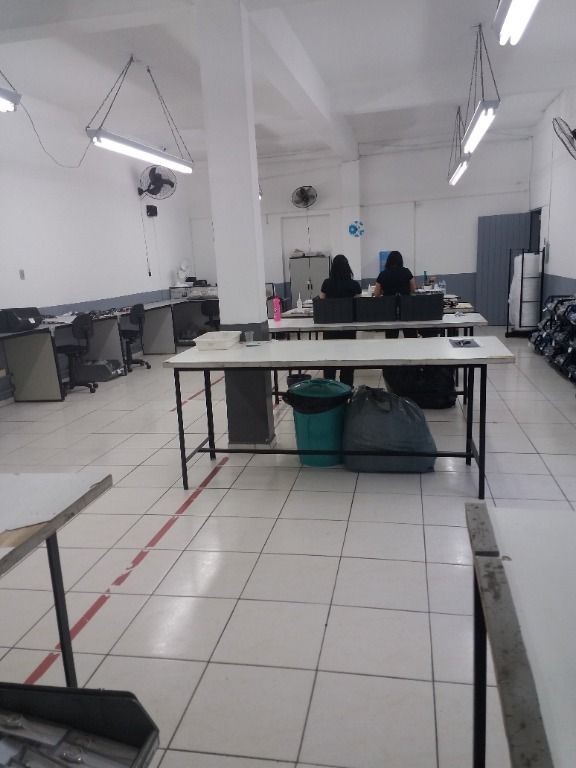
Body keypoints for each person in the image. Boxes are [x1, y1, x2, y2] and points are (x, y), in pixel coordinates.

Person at [319, 254, 361, 386]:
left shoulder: (326, 283)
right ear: (348, 267)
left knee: (330, 362)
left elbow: (321, 302)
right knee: (347, 363)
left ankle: (330, 390)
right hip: (348, 329)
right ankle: (346, 390)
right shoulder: (354, 285)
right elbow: (358, 306)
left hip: (330, 329)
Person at [373, 250, 417, 338]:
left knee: (391, 337)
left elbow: (376, 293)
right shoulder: (406, 272)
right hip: (406, 308)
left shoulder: (383, 274)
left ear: (388, 261)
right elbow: (413, 289)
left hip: (389, 310)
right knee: (410, 336)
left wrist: (384, 291)